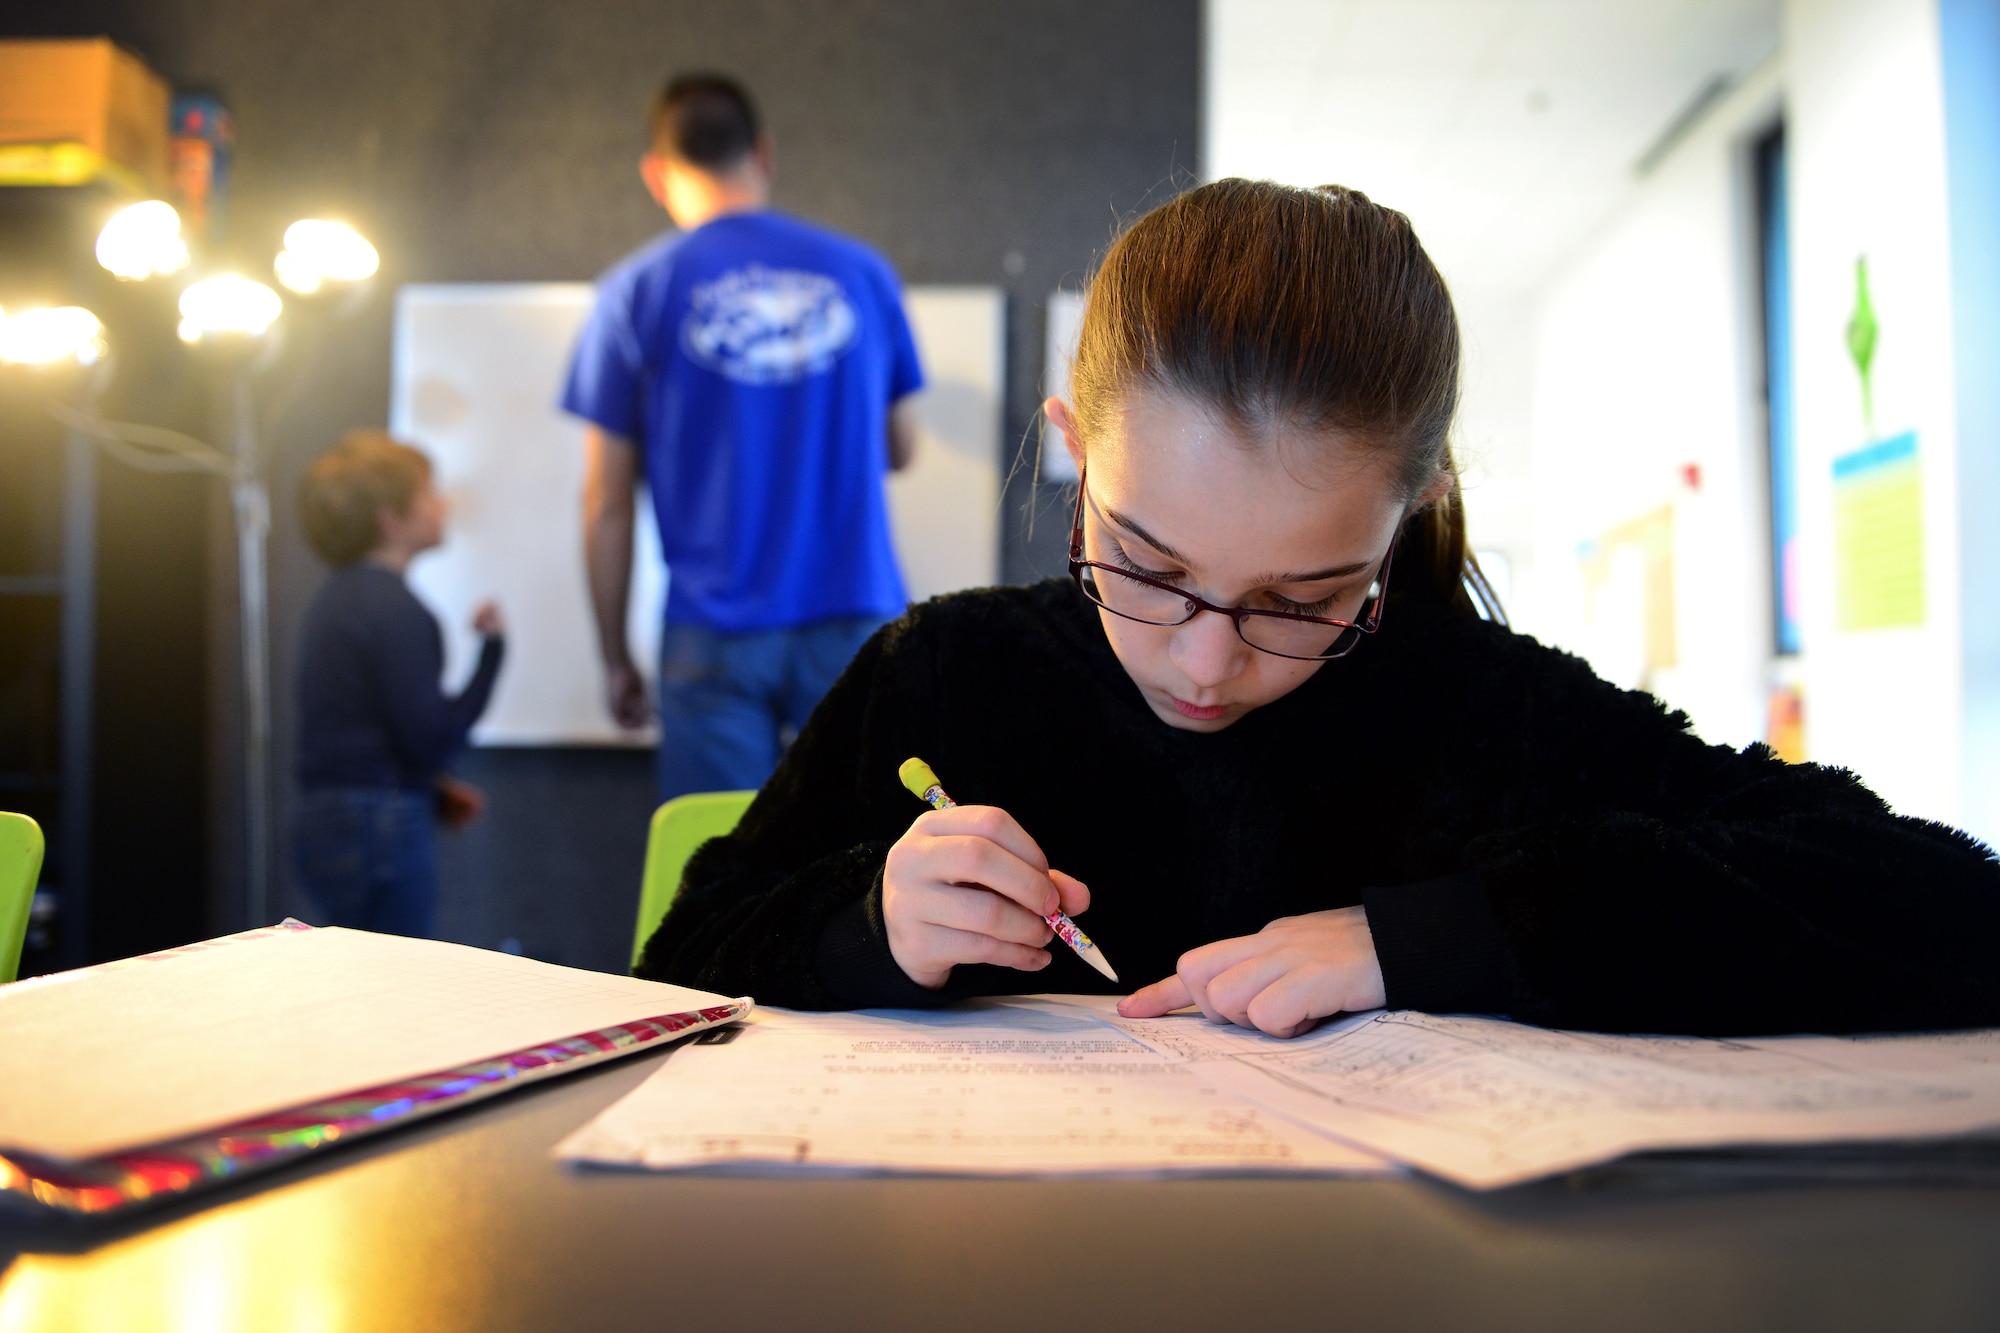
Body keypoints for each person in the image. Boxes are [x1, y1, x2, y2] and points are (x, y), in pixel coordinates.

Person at [633, 179, 2000, 1039]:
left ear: (1398, 527)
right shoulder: (947, 673)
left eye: (1302, 599)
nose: (1208, 662)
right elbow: (684, 949)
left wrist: (1430, 938)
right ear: (1074, 450)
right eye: (1149, 566)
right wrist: (870, 914)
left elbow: (1946, 906)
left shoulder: (1480, 707)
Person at [562, 72, 923, 801]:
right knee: (870, 850)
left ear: (657, 175)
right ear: (763, 152)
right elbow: (901, 448)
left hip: (713, 630)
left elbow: (605, 501)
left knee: (727, 871)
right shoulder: (862, 274)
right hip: (854, 613)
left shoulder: (633, 292)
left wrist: (613, 656)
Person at [293, 431, 505, 937]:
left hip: (330, 820)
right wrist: (493, 653)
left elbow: (362, 731)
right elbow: (429, 740)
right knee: (390, 989)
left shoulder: (334, 601)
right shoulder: (397, 610)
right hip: (379, 827)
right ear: (390, 518)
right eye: (430, 493)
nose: (444, 502)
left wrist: (431, 792)